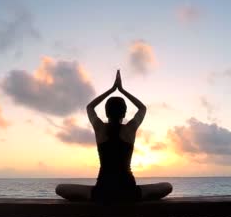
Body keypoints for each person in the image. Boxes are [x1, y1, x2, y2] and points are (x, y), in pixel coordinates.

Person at [56, 70, 172, 202]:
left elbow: (90, 107)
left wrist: (112, 90)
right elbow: (142, 108)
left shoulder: (100, 128)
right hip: (129, 191)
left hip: (102, 192)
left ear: (106, 113)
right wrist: (122, 90)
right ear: (124, 113)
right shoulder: (130, 129)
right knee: (167, 186)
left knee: (60, 188)